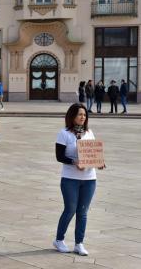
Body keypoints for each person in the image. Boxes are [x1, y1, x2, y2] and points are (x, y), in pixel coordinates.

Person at [53, 103, 105, 256]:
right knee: (70, 210)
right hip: (70, 178)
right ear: (72, 116)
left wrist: (99, 162)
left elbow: (93, 153)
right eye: (79, 114)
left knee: (83, 212)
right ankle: (59, 239)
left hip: (89, 179)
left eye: (84, 115)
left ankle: (79, 243)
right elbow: (59, 156)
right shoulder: (64, 133)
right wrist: (74, 162)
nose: (82, 117)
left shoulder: (89, 132)